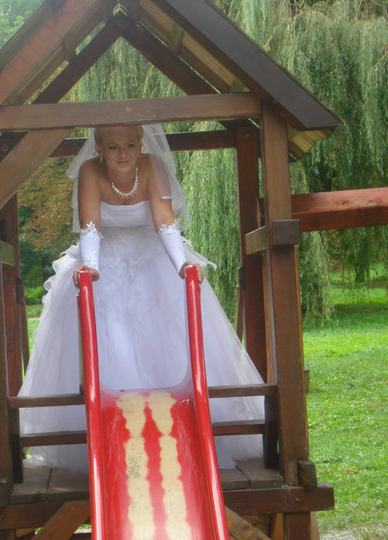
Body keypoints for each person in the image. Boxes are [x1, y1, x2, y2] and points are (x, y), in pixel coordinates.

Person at [18, 124, 264, 472]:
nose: (123, 154)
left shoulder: (152, 166)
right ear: (99, 148)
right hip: (106, 258)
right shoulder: (90, 171)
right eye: (113, 147)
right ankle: (118, 438)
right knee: (111, 334)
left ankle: (177, 433)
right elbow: (90, 225)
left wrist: (181, 265)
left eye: (130, 145)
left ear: (141, 144)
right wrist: (91, 266)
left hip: (153, 256)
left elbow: (164, 221)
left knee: (166, 333)